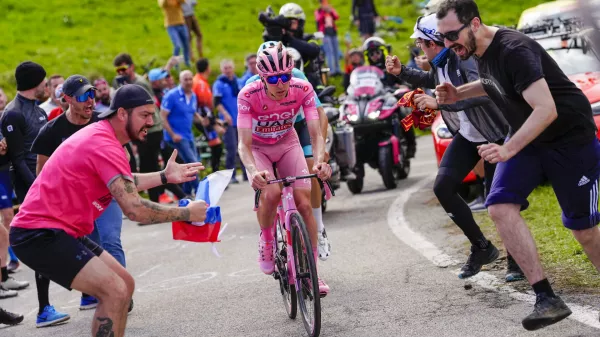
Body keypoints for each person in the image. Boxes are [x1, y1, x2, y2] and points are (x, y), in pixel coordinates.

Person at [434, 0, 600, 330]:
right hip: (530, 138)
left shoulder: (513, 49)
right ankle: (545, 298)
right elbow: (494, 83)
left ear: (475, 24)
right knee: (499, 207)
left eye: (452, 36)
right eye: (442, 39)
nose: (447, 45)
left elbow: (546, 110)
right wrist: (458, 95)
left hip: (570, 140)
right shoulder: (476, 49)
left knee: (583, 230)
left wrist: (508, 148)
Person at [9, 84, 208, 337]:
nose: (151, 121)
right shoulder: (104, 144)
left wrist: (164, 176)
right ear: (123, 113)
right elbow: (135, 209)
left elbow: (122, 182)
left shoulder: (106, 138)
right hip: (38, 232)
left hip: (62, 229)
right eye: (145, 115)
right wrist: (187, 214)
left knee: (125, 283)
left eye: (152, 115)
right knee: (114, 290)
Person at [385, 13, 524, 282]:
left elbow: (484, 92)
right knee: (443, 187)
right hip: (469, 135)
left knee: (499, 202)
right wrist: (401, 72)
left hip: (494, 134)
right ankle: (482, 248)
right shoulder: (441, 60)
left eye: (421, 43)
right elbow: (430, 80)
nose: (419, 49)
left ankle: (517, 260)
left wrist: (441, 104)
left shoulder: (464, 58)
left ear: (433, 42)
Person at [237, 43, 331, 295]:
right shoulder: (248, 94)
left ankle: (313, 274)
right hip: (258, 148)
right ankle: (267, 238)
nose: (280, 83)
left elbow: (315, 134)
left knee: (303, 201)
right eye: (274, 78)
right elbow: (243, 145)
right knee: (271, 194)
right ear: (262, 77)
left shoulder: (302, 87)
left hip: (287, 142)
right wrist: (252, 171)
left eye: (285, 76)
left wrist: (321, 160)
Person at [0, 61, 70, 327]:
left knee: (65, 235)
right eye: (43, 82)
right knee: (43, 241)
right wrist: (37, 189)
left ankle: (89, 290)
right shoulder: (13, 114)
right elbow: (18, 160)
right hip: (32, 189)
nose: (46, 86)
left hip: (49, 184)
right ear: (35, 82)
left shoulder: (38, 112)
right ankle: (44, 309)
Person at [138, 68, 188, 206]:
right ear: (155, 81)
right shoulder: (151, 94)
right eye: (162, 78)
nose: (165, 80)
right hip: (155, 134)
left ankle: (181, 195)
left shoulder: (162, 92)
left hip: (158, 135)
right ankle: (178, 196)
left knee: (155, 169)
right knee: (152, 169)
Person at [363, 37, 417, 159]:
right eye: (371, 54)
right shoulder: (366, 72)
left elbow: (405, 80)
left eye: (377, 52)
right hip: (375, 103)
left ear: (383, 52)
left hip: (391, 100)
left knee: (403, 114)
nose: (375, 56)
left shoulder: (392, 66)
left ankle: (410, 144)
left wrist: (404, 86)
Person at [161, 70, 203, 195]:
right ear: (180, 81)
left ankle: (186, 191)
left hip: (188, 134)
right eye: (186, 79)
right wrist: (173, 134)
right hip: (177, 136)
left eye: (190, 79)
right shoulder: (172, 95)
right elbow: (162, 116)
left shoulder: (193, 96)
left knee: (190, 162)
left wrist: (202, 120)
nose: (189, 82)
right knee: (192, 162)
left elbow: (192, 113)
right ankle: (200, 190)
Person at [213, 59, 246, 183]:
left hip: (241, 120)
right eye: (225, 68)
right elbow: (217, 102)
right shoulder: (219, 84)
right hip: (228, 120)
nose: (228, 70)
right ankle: (230, 175)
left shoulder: (238, 82)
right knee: (231, 148)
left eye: (229, 67)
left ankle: (245, 172)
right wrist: (225, 114)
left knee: (243, 147)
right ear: (222, 70)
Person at [193, 58, 225, 174]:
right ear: (208, 68)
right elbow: (204, 105)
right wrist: (213, 123)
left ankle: (215, 172)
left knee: (216, 146)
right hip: (203, 119)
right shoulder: (200, 83)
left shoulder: (198, 80)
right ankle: (215, 174)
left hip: (205, 117)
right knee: (216, 146)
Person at [158, 0, 191, 67]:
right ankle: (175, 64)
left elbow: (184, 2)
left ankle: (187, 62)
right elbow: (162, 4)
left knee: (186, 44)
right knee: (177, 46)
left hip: (181, 23)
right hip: (171, 25)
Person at [315, 0, 341, 76]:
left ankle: (337, 69)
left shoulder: (330, 10)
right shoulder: (318, 11)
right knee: (329, 52)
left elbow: (336, 17)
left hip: (333, 33)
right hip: (325, 34)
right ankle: (331, 70)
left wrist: (331, 11)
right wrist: (324, 11)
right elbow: (318, 19)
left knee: (336, 51)